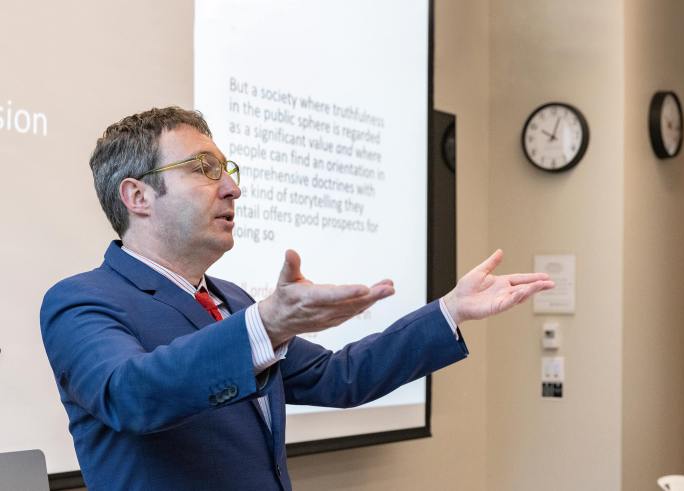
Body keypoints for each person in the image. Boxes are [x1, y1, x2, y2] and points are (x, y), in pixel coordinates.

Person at [40, 107, 554, 491]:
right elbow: (132, 395)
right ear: (137, 197)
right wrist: (263, 325)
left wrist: (450, 310)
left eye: (228, 170)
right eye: (203, 168)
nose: (232, 190)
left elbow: (340, 377)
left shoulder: (233, 300)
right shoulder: (81, 301)